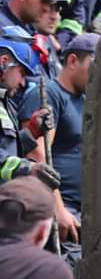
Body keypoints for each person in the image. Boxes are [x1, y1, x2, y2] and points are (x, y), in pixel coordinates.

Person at [18, 31, 94, 264]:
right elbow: (38, 155)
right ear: (72, 61)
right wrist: (58, 209)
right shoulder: (49, 95)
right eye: (94, 67)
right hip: (63, 210)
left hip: (85, 210)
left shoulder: (85, 100)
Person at [0, 28, 57, 185]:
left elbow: (8, 151)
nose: (22, 82)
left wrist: (31, 132)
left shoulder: (5, 102)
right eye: (22, 72)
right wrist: (26, 168)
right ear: (4, 63)